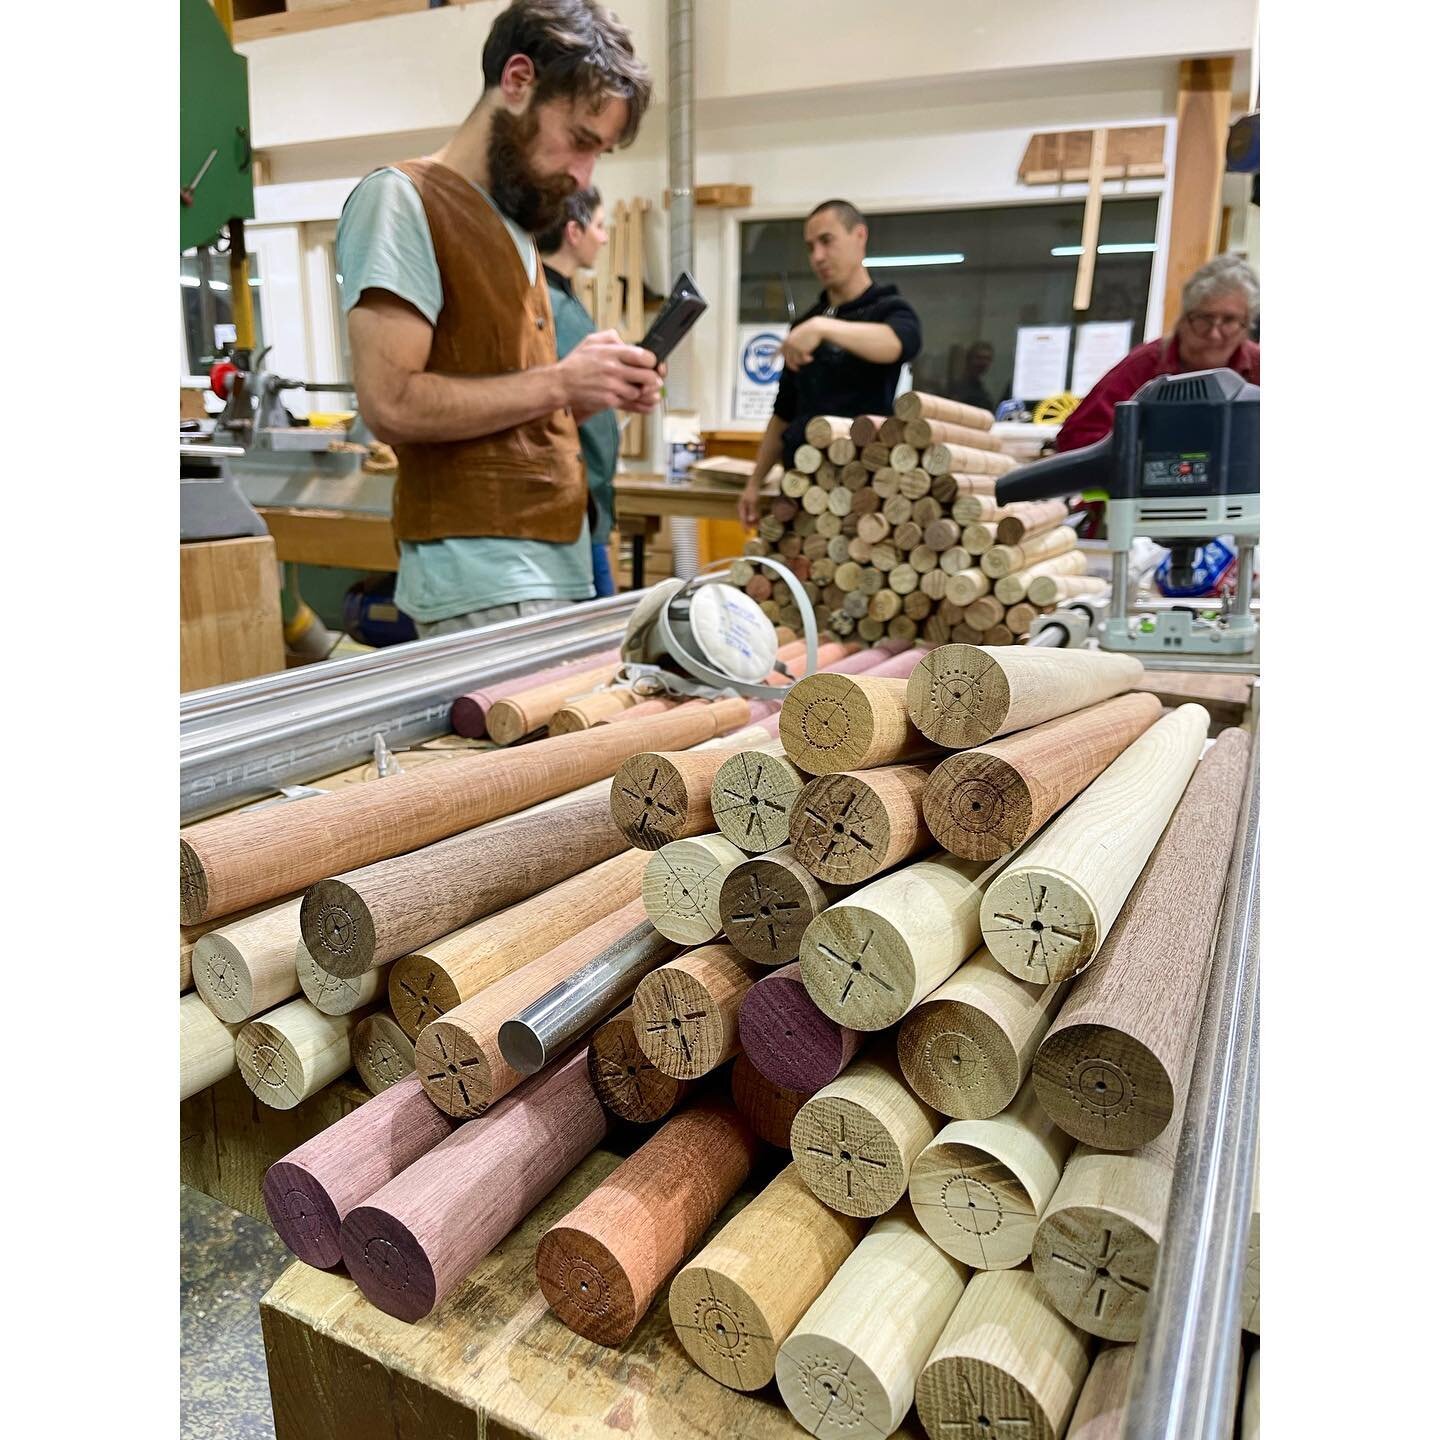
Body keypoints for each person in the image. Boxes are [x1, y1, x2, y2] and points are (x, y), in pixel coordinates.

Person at [337, 0, 660, 638]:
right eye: (579, 141)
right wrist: (564, 383)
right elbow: (391, 403)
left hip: (547, 562)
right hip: (483, 575)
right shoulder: (404, 200)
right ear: (518, 81)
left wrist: (593, 391)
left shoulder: (514, 226)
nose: (582, 173)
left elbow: (506, 409)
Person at [739, 200, 922, 528]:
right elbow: (783, 413)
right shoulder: (805, 325)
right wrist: (754, 483)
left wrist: (824, 329)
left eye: (827, 241)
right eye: (811, 247)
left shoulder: (889, 310)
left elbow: (899, 344)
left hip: (862, 490)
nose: (817, 257)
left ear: (859, 236)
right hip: (801, 487)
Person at [1056, 255, 1259, 453]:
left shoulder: (1259, 366)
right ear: (1183, 319)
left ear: (1247, 326)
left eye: (1230, 320)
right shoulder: (1144, 364)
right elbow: (1076, 438)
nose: (1214, 334)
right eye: (1204, 318)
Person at [537, 186, 622, 598]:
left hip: (585, 504)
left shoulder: (563, 301)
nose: (604, 238)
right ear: (574, 231)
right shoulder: (547, 306)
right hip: (570, 504)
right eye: (600, 226)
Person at [952, 339, 997, 415]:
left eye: (987, 359)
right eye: (979, 358)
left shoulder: (982, 389)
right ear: (969, 359)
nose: (983, 363)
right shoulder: (958, 388)